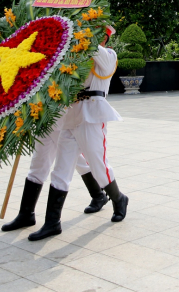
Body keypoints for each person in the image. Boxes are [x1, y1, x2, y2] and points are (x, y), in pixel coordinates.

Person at [34, 26, 128, 241]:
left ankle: (118, 198)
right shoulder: (77, 58)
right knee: (61, 168)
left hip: (92, 116)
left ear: (103, 36)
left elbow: (91, 47)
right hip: (71, 116)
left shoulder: (108, 56)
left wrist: (77, 28)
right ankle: (52, 223)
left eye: (95, 32)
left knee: (98, 165)